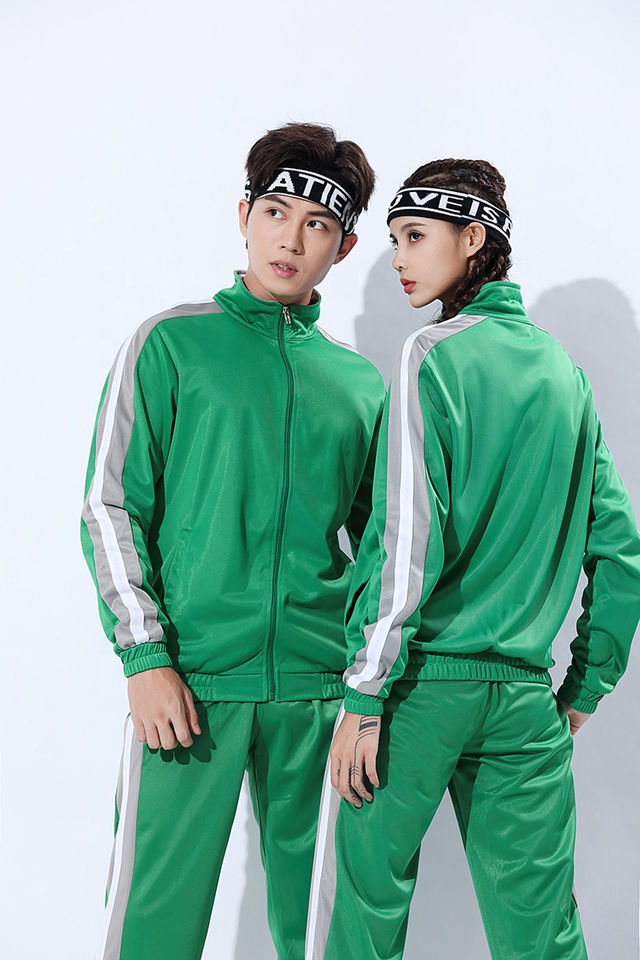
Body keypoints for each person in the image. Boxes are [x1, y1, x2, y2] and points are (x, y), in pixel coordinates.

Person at [305, 159, 640, 960]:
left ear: (473, 237)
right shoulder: (566, 377)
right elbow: (621, 551)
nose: (399, 258)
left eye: (415, 236)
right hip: (524, 698)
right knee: (543, 936)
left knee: (363, 919)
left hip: (418, 690)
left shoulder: (432, 354)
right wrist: (585, 687)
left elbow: (406, 537)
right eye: (393, 239)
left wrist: (364, 693)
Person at [80, 121, 385, 960]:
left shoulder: (361, 384)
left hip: (320, 697)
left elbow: (385, 551)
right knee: (152, 929)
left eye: (318, 225)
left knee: (324, 935)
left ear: (345, 246)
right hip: (190, 685)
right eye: (276, 212)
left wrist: (366, 690)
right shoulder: (170, 344)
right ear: (244, 214)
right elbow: (109, 507)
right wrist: (145, 658)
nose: (291, 239)